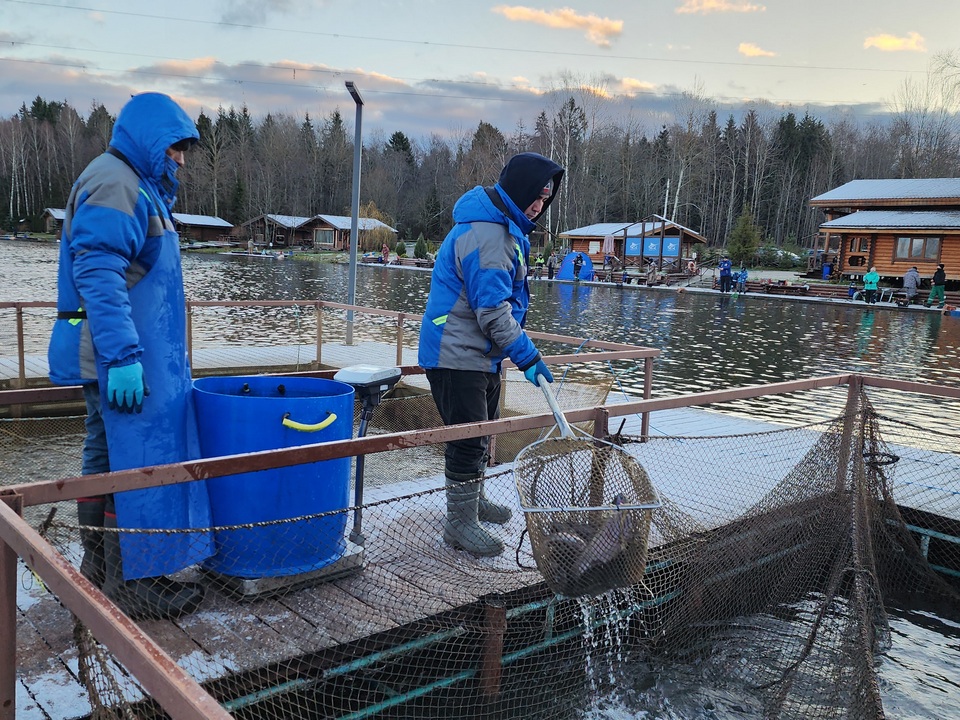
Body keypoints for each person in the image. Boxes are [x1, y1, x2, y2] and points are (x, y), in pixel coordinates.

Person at [48, 93, 213, 620]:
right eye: (174, 148)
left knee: (105, 457)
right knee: (127, 462)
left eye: (184, 150)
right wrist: (122, 357)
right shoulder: (116, 181)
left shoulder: (133, 184)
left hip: (134, 358)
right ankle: (128, 582)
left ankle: (102, 572)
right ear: (147, 140)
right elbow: (97, 272)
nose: (180, 159)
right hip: (120, 361)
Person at [418, 152, 564, 557]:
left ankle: (473, 502)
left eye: (546, 198)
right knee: (467, 439)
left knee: (483, 431)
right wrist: (529, 357)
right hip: (455, 353)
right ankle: (459, 523)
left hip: (480, 355)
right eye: (535, 195)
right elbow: (492, 311)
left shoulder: (506, 229)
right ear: (517, 190)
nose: (539, 204)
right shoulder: (489, 235)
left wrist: (511, 354)